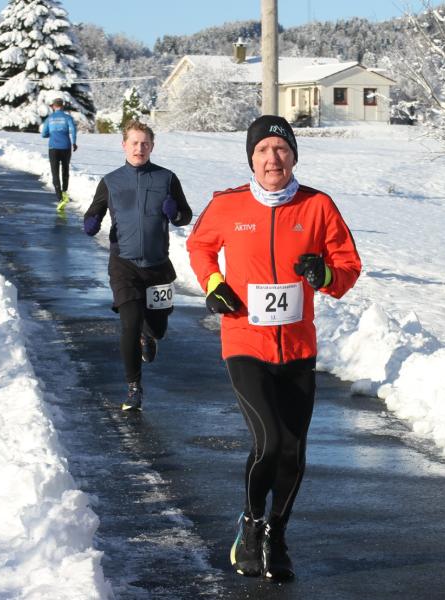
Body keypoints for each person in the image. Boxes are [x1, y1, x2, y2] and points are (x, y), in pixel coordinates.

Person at [186, 115, 361, 582]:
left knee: (294, 451)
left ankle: (276, 532)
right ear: (251, 158)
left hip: (298, 348)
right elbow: (199, 246)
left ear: (293, 157)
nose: (272, 159)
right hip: (245, 340)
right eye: (263, 151)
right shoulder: (228, 204)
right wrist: (214, 282)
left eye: (281, 150)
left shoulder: (318, 206)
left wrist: (323, 275)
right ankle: (249, 523)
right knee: (270, 440)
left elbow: (347, 266)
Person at [82, 120, 192, 411]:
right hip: (124, 265)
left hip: (158, 266)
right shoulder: (111, 181)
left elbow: (185, 215)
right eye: (134, 143)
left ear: (152, 147)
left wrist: (176, 213)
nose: (139, 148)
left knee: (158, 328)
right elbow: (94, 212)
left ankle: (150, 334)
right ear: (124, 145)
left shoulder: (167, 178)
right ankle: (133, 387)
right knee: (128, 324)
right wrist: (91, 223)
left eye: (145, 143)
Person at [41, 98, 77, 212]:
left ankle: (60, 198)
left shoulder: (49, 119)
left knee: (55, 172)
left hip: (53, 148)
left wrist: (51, 135)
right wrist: (74, 143)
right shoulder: (68, 118)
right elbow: (74, 130)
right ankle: (65, 191)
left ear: (53, 107)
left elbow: (43, 134)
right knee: (65, 170)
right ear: (63, 106)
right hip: (66, 146)